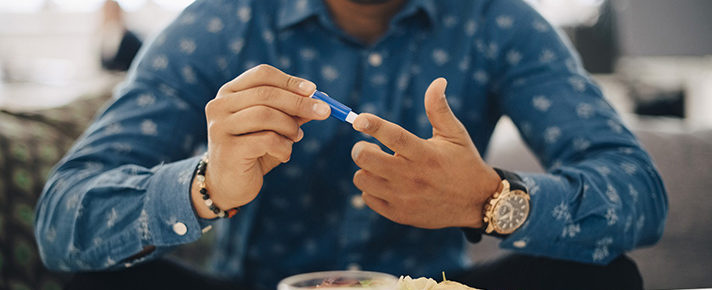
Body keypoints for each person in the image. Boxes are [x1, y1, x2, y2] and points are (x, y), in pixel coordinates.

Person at [34, 0, 667, 289]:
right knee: (100, 282)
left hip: (433, 285)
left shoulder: (499, 21)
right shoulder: (220, 22)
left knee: (606, 276)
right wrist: (204, 186)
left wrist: (494, 200)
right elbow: (63, 219)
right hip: (258, 283)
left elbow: (639, 193)